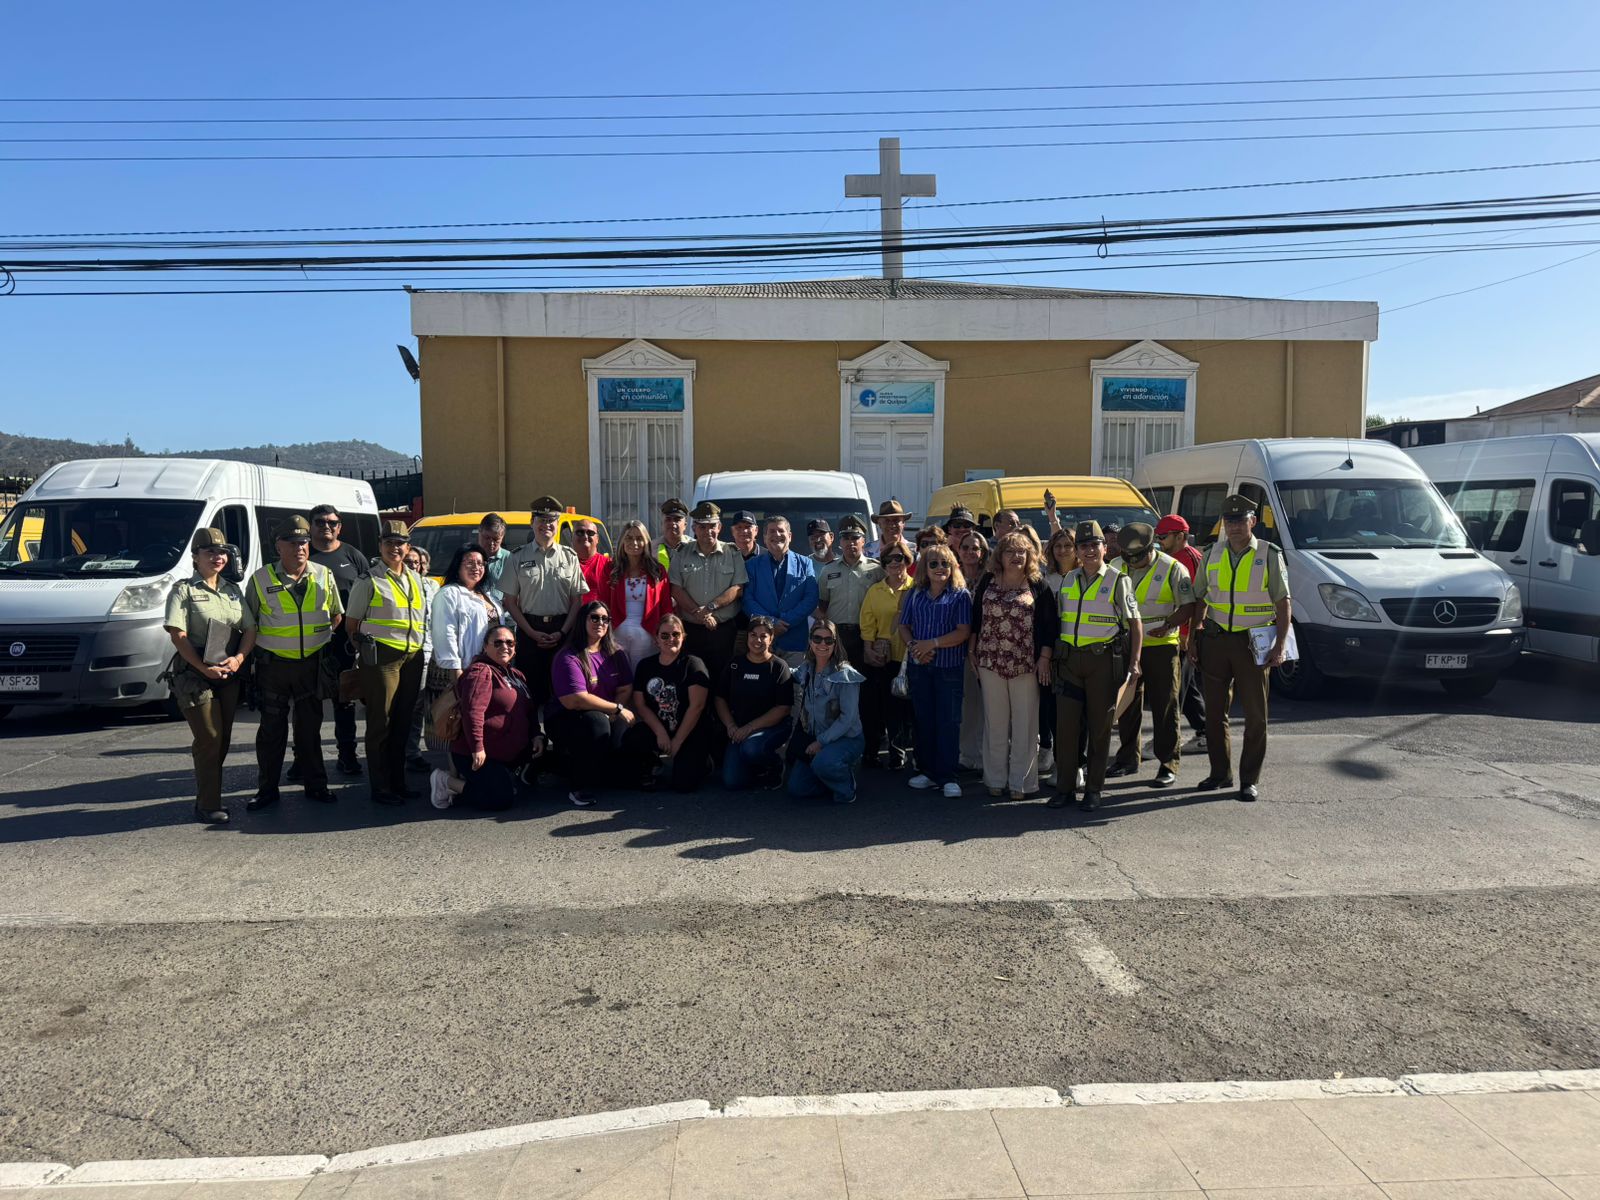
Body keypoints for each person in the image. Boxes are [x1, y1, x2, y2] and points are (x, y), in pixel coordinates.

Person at [1189, 494, 1292, 803]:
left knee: (1256, 716)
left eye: (1240, 520)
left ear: (1253, 522)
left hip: (1253, 643)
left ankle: (1249, 779)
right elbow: (1199, 598)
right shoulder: (1212, 553)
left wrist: (1281, 644)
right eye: (1229, 521)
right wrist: (1194, 638)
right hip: (1217, 640)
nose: (1234, 526)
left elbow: (1283, 601)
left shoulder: (1268, 553)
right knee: (1214, 714)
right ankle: (1220, 774)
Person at [245, 515, 342, 811]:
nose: (300, 548)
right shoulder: (261, 579)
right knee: (272, 731)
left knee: (310, 731)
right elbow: (248, 623)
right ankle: (267, 790)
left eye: (303, 542)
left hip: (311, 666)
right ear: (279, 546)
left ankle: (316, 785)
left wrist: (320, 642)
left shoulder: (324, 575)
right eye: (293, 543)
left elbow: (337, 615)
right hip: (274, 668)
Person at [1049, 521, 1142, 813]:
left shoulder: (1117, 579)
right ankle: (1064, 789)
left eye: (1094, 545)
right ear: (1077, 551)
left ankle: (1094, 790)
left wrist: (1135, 661)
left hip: (1102, 661)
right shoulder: (1068, 579)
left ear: (1105, 547)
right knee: (1066, 729)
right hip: (1069, 662)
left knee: (1099, 730)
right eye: (1084, 546)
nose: (1089, 550)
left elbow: (1135, 624)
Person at [164, 528, 256, 824]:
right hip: (195, 673)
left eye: (222, 553)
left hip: (228, 670)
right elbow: (178, 635)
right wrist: (203, 668)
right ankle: (208, 804)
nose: (218, 557)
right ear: (195, 558)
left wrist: (239, 658)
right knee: (209, 737)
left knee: (223, 737)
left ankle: (207, 795)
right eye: (210, 552)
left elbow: (250, 629)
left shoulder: (232, 590)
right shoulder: (184, 590)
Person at [1107, 522, 1197, 789]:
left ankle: (1168, 764)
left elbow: (1188, 606)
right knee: (1127, 705)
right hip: (1125, 644)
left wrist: (1169, 624)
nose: (1133, 563)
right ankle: (1126, 759)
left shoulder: (1172, 567)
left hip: (1161, 646)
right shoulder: (1116, 565)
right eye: (1129, 558)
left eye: (1139, 557)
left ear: (1151, 548)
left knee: (1165, 706)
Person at [346, 521, 428, 806]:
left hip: (412, 657)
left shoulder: (415, 579)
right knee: (381, 722)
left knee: (402, 722)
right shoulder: (368, 580)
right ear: (380, 545)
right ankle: (380, 788)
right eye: (389, 543)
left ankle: (398, 782)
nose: (395, 548)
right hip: (382, 658)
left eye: (401, 543)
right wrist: (367, 654)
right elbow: (352, 624)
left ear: (408, 547)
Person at [972, 532, 1057, 799]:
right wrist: (971, 651)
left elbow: (1049, 626)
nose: (1016, 556)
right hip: (989, 661)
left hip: (1025, 665)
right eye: (1010, 551)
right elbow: (976, 618)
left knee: (1025, 725)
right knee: (995, 724)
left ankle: (1021, 783)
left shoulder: (1037, 584)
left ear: (1030, 555)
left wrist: (1044, 658)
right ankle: (995, 779)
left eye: (1022, 551)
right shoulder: (987, 581)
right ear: (1000, 555)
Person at [432, 624, 535, 812]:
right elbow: (473, 712)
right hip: (477, 754)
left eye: (509, 642)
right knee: (501, 799)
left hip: (507, 752)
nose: (505, 647)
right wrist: (477, 747)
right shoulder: (480, 671)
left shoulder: (516, 675)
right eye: (497, 643)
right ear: (485, 647)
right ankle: (448, 783)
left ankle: (500, 778)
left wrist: (537, 735)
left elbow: (529, 710)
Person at [897, 546, 972, 798]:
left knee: (948, 722)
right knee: (924, 720)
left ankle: (948, 776)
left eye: (945, 563)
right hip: (920, 667)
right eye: (933, 564)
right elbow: (904, 626)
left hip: (948, 668)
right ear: (924, 569)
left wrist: (933, 644)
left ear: (952, 568)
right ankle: (928, 772)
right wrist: (916, 647)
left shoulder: (961, 596)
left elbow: (963, 631)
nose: (940, 568)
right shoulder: (915, 594)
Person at [547, 599, 635, 807]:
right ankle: (579, 787)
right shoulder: (568, 656)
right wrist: (615, 709)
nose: (600, 622)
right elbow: (574, 700)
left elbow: (625, 687)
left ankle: (550, 764)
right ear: (582, 621)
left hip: (606, 714)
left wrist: (615, 712)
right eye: (594, 617)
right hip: (566, 718)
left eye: (605, 619)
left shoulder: (616, 652)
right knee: (597, 723)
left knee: (625, 773)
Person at [504, 495, 586, 708]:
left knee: (563, 693)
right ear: (532, 523)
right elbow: (510, 602)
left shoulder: (570, 557)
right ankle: (532, 739)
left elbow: (576, 601)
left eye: (551, 521)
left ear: (557, 525)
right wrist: (531, 633)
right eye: (541, 520)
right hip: (529, 630)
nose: (546, 525)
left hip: (562, 629)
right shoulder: (517, 557)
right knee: (530, 695)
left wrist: (562, 633)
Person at [309, 502, 370, 777]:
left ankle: (347, 755)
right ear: (311, 526)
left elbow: (369, 594)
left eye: (332, 523)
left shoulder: (353, 556)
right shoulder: (303, 553)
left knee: (344, 701)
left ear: (340, 526)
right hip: (308, 642)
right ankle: (303, 759)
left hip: (344, 642)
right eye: (320, 522)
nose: (326, 527)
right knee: (306, 704)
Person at [622, 614, 713, 792]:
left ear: (683, 637)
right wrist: (661, 733)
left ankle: (704, 762)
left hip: (690, 729)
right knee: (632, 739)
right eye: (664, 635)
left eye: (676, 635)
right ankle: (652, 763)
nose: (670, 639)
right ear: (656, 639)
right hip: (660, 727)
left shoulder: (693, 664)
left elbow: (697, 707)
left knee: (683, 785)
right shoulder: (645, 666)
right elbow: (640, 704)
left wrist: (678, 740)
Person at [787, 619, 866, 804]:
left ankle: (847, 786)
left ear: (835, 643)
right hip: (816, 739)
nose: (822, 644)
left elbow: (848, 719)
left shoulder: (845, 674)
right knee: (797, 789)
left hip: (846, 740)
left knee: (824, 764)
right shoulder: (807, 668)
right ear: (810, 641)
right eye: (817, 638)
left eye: (828, 640)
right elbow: (790, 673)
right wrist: (769, 660)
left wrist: (820, 743)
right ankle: (829, 776)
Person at [669, 502, 748, 683]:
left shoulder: (732, 552)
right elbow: (675, 588)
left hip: (723, 631)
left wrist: (710, 608)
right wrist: (700, 614)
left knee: (722, 680)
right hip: (691, 630)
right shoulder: (682, 553)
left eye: (712, 526)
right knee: (692, 679)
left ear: (719, 527)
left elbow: (737, 588)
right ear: (694, 528)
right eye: (702, 527)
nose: (708, 531)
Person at [714, 615, 793, 791]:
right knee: (733, 781)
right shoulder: (735, 664)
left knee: (751, 748)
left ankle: (774, 765)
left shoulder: (779, 667)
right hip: (739, 728)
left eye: (763, 636)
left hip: (772, 727)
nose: (758, 640)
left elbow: (783, 708)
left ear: (771, 638)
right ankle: (756, 766)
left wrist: (749, 728)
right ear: (747, 637)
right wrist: (731, 725)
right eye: (753, 635)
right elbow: (720, 698)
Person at [858, 542, 914, 769]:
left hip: (907, 656)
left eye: (898, 558)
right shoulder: (875, 590)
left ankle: (898, 752)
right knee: (876, 706)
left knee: (902, 709)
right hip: (881, 657)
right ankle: (872, 752)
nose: (893, 563)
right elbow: (867, 622)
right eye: (889, 560)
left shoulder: (915, 589)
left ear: (907, 561)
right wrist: (869, 649)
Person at [1156, 514, 1209, 747]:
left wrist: (1188, 634)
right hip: (1182, 631)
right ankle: (1205, 731)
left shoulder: (1185, 559)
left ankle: (1169, 739)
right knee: (1186, 688)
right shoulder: (1180, 556)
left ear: (1180, 536)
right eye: (1158, 537)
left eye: (1164, 537)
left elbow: (1195, 601)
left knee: (1176, 690)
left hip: (1185, 634)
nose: (1160, 541)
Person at [745, 516, 819, 667]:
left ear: (790, 536)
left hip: (795, 640)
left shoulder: (805, 563)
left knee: (795, 687)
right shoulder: (752, 565)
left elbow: (811, 598)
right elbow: (747, 600)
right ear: (764, 538)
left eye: (781, 530)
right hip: (762, 640)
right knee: (764, 687)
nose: (776, 535)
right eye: (772, 531)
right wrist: (771, 623)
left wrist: (785, 622)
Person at [600, 519, 671, 669]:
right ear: (622, 542)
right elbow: (602, 603)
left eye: (639, 538)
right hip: (616, 633)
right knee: (620, 678)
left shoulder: (657, 570)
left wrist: (663, 633)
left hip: (647, 634)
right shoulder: (610, 569)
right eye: (629, 538)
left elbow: (665, 606)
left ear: (646, 542)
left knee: (641, 677)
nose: (635, 543)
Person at [814, 515, 882, 667]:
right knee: (835, 678)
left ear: (863, 541)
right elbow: (822, 603)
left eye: (855, 538)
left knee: (863, 680)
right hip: (836, 634)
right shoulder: (828, 570)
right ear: (840, 542)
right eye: (846, 538)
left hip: (865, 635)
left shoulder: (876, 569)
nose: (850, 542)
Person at [1039, 527, 1079, 783]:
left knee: (1076, 711)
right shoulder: (1045, 579)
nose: (1062, 550)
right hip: (1051, 651)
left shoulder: (1084, 576)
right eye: (1058, 546)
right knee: (1051, 708)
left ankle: (1076, 765)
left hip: (1079, 651)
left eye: (1068, 545)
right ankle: (1055, 759)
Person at [954, 528, 991, 771]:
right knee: (963, 705)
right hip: (953, 647)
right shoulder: (950, 575)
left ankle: (981, 756)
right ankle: (964, 754)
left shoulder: (991, 579)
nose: (969, 552)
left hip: (984, 649)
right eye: (965, 547)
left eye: (975, 548)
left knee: (983, 706)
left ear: (983, 552)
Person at [405, 545, 441, 771]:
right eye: (408, 562)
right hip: (401, 652)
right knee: (404, 705)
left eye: (416, 562)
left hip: (428, 652)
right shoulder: (395, 583)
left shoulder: (432, 586)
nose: (412, 566)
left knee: (419, 705)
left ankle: (411, 752)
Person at [476, 513, 513, 600]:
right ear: (479, 532)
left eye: (496, 539)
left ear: (502, 537)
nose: (491, 543)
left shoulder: (510, 559)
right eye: (487, 538)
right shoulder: (468, 557)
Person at [573, 518, 610, 603]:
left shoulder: (609, 565)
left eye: (590, 533)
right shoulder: (563, 564)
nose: (585, 536)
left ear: (597, 539)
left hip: (599, 615)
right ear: (572, 537)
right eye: (580, 532)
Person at [656, 497, 690, 569]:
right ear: (662, 523)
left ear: (685, 525)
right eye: (668, 519)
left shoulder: (694, 547)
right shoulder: (651, 549)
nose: (672, 523)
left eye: (677, 519)